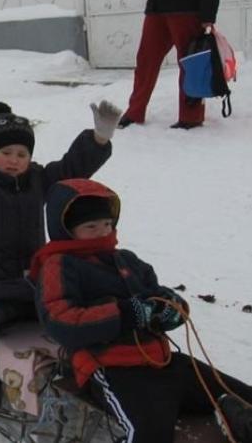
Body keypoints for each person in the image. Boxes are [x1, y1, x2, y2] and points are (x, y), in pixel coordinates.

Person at [32, 178, 252, 443]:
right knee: (149, 434)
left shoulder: (127, 260)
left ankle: (234, 418)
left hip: (163, 362)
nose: (102, 232)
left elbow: (159, 293)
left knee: (244, 396)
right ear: (67, 230)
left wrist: (171, 309)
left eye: (107, 224)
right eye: (90, 227)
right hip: (113, 368)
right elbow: (61, 321)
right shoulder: (60, 265)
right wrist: (127, 314)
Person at [0, 96, 120, 413]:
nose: (14, 160)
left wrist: (99, 137)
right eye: (6, 153)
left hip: (33, 283)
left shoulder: (38, 179)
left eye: (22, 154)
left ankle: (89, 372)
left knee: (78, 304)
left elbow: (72, 169)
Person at [118, 0, 221, 130]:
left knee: (190, 64)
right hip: (156, 9)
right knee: (145, 62)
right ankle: (135, 112)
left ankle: (191, 117)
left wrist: (208, 14)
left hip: (187, 9)